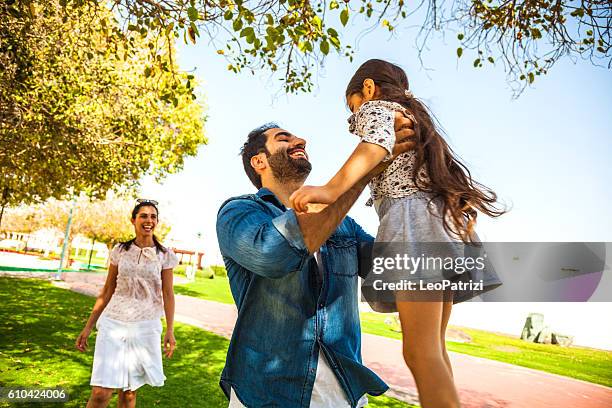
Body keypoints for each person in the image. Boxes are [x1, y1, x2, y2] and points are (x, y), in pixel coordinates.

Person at [290, 59, 506, 407]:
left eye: (352, 105)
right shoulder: (416, 119)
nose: (353, 116)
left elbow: (373, 144)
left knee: (420, 354)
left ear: (369, 89)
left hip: (413, 227)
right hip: (441, 228)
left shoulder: (377, 108)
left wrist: (330, 190)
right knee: (433, 350)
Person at [216, 115, 416, 408]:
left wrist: (430, 204)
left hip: (342, 394)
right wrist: (366, 165)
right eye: (284, 138)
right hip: (266, 393)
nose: (300, 141)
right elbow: (274, 255)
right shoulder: (238, 212)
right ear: (259, 162)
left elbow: (393, 281)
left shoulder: (344, 224)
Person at [76, 199, 178, 408]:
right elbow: (107, 290)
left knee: (129, 394)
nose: (148, 220)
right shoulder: (120, 251)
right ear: (133, 220)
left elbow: (168, 294)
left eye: (153, 216)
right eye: (143, 215)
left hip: (146, 325)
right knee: (100, 393)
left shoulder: (165, 255)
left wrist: (170, 330)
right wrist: (88, 327)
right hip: (113, 322)